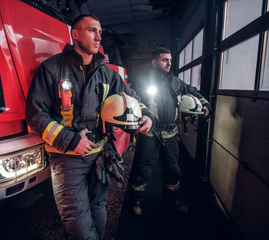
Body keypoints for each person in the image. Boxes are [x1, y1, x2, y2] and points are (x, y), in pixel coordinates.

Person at [25, 14, 155, 240]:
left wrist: (147, 114)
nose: (98, 37)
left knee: (98, 210)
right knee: (77, 225)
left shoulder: (107, 74)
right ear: (75, 34)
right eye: (92, 30)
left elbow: (131, 98)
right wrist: (72, 140)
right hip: (67, 159)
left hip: (100, 158)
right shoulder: (51, 69)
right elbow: (36, 115)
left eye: (100, 32)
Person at [128, 47, 211, 216]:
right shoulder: (142, 79)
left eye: (170, 60)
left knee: (173, 170)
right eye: (164, 60)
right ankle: (136, 201)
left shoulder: (176, 82)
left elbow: (192, 91)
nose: (169, 63)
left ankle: (172, 201)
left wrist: (205, 104)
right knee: (142, 169)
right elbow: (134, 99)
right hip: (149, 134)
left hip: (171, 134)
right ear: (154, 62)